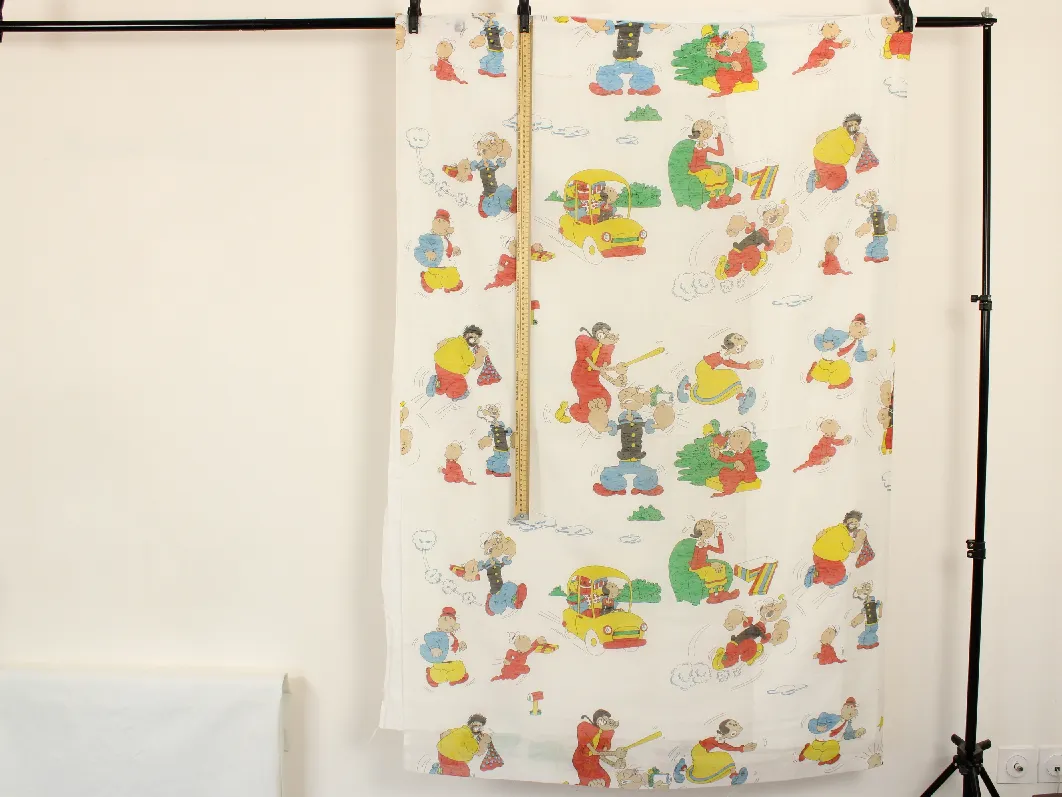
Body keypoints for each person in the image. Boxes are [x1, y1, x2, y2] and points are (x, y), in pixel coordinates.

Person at [589, 386, 675, 497]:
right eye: (631, 397)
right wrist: (600, 422)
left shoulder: (640, 421)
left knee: (648, 474)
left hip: (637, 458)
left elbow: (651, 427)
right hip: (625, 457)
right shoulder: (623, 420)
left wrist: (663, 420)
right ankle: (612, 487)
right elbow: (612, 429)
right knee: (611, 473)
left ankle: (644, 487)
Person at [556, 322, 626, 424]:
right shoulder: (586, 343)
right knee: (590, 400)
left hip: (593, 379)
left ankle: (576, 412)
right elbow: (593, 365)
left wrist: (614, 380)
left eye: (607, 333)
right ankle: (568, 410)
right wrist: (613, 369)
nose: (605, 335)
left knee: (605, 399)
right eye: (602, 333)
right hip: (580, 377)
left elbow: (602, 370)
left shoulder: (606, 350)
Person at [677, 333, 762, 414]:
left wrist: (748, 366)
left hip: (706, 369)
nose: (739, 351)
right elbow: (731, 364)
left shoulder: (724, 355)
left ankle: (741, 399)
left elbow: (731, 363)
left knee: (727, 378)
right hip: (703, 369)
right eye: (738, 348)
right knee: (726, 378)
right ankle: (685, 388)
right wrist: (748, 366)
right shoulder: (722, 354)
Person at [583, 19, 669, 96]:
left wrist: (657, 25)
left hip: (632, 60)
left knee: (644, 72)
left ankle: (642, 87)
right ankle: (609, 87)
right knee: (607, 71)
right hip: (620, 60)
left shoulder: (639, 23)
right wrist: (601, 26)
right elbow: (610, 29)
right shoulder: (621, 24)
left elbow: (648, 27)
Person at [460, 531, 527, 616]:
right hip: (495, 590)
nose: (494, 550)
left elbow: (502, 564)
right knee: (499, 601)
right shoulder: (486, 564)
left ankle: (516, 599)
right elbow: (477, 568)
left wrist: (508, 558)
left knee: (509, 587)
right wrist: (471, 571)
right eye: (491, 549)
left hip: (501, 587)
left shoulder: (497, 562)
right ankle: (508, 602)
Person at [674, 718, 755, 785]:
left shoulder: (718, 738)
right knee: (725, 757)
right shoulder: (718, 739)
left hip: (700, 752)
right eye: (734, 733)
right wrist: (741, 749)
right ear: (732, 734)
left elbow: (725, 746)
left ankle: (682, 768)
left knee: (713, 763)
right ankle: (734, 776)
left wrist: (741, 748)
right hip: (699, 753)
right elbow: (727, 747)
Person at [807, 314, 877, 390]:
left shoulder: (858, 344)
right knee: (821, 374)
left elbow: (858, 356)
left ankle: (837, 382)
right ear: (852, 325)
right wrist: (825, 343)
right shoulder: (840, 335)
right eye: (859, 331)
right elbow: (825, 334)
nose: (860, 335)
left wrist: (867, 355)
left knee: (843, 369)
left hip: (840, 365)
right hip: (827, 360)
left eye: (862, 334)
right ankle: (815, 371)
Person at [804, 510, 867, 589]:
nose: (853, 524)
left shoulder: (834, 528)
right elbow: (853, 549)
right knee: (840, 573)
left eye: (856, 522)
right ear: (846, 521)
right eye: (852, 521)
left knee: (823, 570)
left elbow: (819, 535)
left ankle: (815, 576)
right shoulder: (845, 536)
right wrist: (860, 537)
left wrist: (822, 545)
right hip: (832, 561)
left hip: (817, 556)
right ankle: (834, 581)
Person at [686, 119, 741, 208]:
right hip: (696, 170)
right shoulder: (696, 149)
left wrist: (718, 139)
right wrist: (710, 167)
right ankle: (713, 202)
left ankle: (723, 198)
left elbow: (720, 153)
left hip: (704, 167)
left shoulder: (705, 146)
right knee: (711, 174)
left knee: (721, 169)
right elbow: (694, 167)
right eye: (706, 129)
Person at [807, 113, 866, 193]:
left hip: (819, 161)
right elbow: (855, 153)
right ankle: (840, 183)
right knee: (837, 181)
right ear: (845, 124)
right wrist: (861, 141)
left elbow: (818, 138)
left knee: (821, 183)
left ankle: (816, 176)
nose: (854, 126)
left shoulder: (833, 131)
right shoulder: (846, 140)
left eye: (856, 124)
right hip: (834, 166)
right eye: (852, 123)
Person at [426, 325, 486, 401]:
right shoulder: (465, 350)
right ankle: (455, 395)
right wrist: (481, 354)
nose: (473, 339)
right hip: (454, 373)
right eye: (472, 336)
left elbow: (439, 345)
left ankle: (436, 385)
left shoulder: (452, 339)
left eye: (476, 338)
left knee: (444, 382)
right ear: (466, 334)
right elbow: (474, 365)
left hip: (439, 366)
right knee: (460, 385)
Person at [687, 518, 740, 604]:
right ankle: (711, 596)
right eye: (706, 526)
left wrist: (719, 537)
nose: (710, 524)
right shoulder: (698, 545)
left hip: (703, 565)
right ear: (703, 531)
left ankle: (721, 593)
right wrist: (710, 565)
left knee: (721, 567)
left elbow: (720, 550)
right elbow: (696, 563)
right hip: (697, 567)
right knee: (712, 571)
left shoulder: (705, 544)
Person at [800, 698, 866, 766]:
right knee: (816, 750)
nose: (850, 712)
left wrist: (855, 734)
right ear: (843, 709)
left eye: (853, 711)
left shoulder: (848, 725)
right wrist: (820, 725)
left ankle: (826, 759)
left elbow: (847, 735)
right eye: (848, 707)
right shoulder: (834, 717)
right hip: (820, 739)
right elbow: (823, 715)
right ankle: (806, 752)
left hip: (832, 742)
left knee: (834, 747)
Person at [413, 209, 463, 293]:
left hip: (447, 268)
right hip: (435, 267)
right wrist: (427, 252)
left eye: (444, 223)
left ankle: (448, 285)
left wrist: (454, 250)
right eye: (439, 221)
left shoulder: (446, 240)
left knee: (453, 277)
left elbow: (447, 250)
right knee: (432, 281)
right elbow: (420, 247)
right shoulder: (430, 237)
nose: (441, 224)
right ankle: (429, 280)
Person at [469, 132, 517, 218]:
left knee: (502, 193)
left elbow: (496, 167)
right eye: (490, 146)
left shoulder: (490, 165)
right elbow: (473, 166)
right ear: (483, 152)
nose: (494, 149)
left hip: (494, 191)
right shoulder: (480, 165)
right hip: (490, 193)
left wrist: (504, 158)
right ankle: (511, 204)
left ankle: (512, 201)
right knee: (500, 196)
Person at [420, 607, 470, 687]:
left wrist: (460, 645)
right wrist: (434, 648)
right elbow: (428, 637)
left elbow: (453, 647)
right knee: (437, 675)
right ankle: (435, 675)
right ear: (439, 627)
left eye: (451, 623)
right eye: (446, 620)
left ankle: (453, 678)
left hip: (452, 662)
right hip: (441, 662)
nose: (449, 624)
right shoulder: (438, 634)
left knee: (461, 668)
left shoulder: (453, 637)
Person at [708, 425, 760, 497]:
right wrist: (719, 456)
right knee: (724, 471)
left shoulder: (747, 454)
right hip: (739, 473)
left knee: (732, 476)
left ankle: (727, 491)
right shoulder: (739, 453)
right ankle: (727, 488)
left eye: (735, 436)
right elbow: (729, 459)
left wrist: (743, 467)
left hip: (748, 476)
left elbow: (751, 467)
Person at [572, 709, 619, 787]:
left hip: (593, 762)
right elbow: (588, 745)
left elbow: (603, 751)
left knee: (606, 780)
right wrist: (614, 753)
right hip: (582, 760)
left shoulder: (606, 734)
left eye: (608, 721)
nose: (606, 723)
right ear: (597, 720)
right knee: (588, 780)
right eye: (604, 720)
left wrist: (611, 761)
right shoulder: (585, 727)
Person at [705, 28, 754, 97]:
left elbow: (729, 60)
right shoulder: (729, 49)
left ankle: (726, 89)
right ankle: (726, 87)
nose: (728, 40)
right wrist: (715, 54)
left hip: (742, 72)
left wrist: (741, 68)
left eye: (741, 42)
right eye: (731, 38)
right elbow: (727, 59)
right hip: (733, 71)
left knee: (724, 73)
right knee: (722, 71)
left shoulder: (742, 53)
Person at [855, 189, 898, 262]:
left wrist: (892, 224)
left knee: (879, 245)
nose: (871, 198)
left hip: (882, 235)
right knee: (876, 245)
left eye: (873, 195)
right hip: (877, 235)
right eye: (869, 196)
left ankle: (878, 256)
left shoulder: (882, 214)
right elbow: (868, 225)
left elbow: (890, 216)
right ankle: (876, 256)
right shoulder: (872, 217)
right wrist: (862, 231)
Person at [490, 634, 555, 681]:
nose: (530, 646)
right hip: (510, 672)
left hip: (511, 672)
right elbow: (529, 649)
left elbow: (529, 649)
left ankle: (501, 676)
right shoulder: (517, 654)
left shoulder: (521, 654)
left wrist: (537, 641)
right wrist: (509, 662)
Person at [477, 404, 513, 477]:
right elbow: (490, 436)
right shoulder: (494, 429)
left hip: (502, 448)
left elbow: (508, 432)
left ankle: (493, 468)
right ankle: (499, 471)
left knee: (499, 459)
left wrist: (509, 431)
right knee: (500, 459)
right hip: (500, 449)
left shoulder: (500, 428)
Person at [851, 581, 883, 649]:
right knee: (866, 632)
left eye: (868, 587)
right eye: (864, 588)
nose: (866, 590)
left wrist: (880, 612)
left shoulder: (873, 602)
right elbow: (862, 614)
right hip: (869, 623)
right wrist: (856, 621)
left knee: (873, 632)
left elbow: (879, 604)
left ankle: (872, 642)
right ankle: (862, 643)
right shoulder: (865, 605)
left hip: (875, 621)